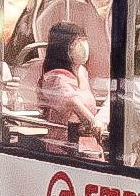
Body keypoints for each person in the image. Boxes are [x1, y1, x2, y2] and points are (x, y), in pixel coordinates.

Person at [37, 22, 105, 158]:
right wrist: (92, 120)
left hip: (88, 145)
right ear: (64, 48)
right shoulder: (56, 77)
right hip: (66, 148)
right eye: (77, 43)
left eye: (83, 40)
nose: (83, 46)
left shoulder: (82, 72)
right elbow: (71, 100)